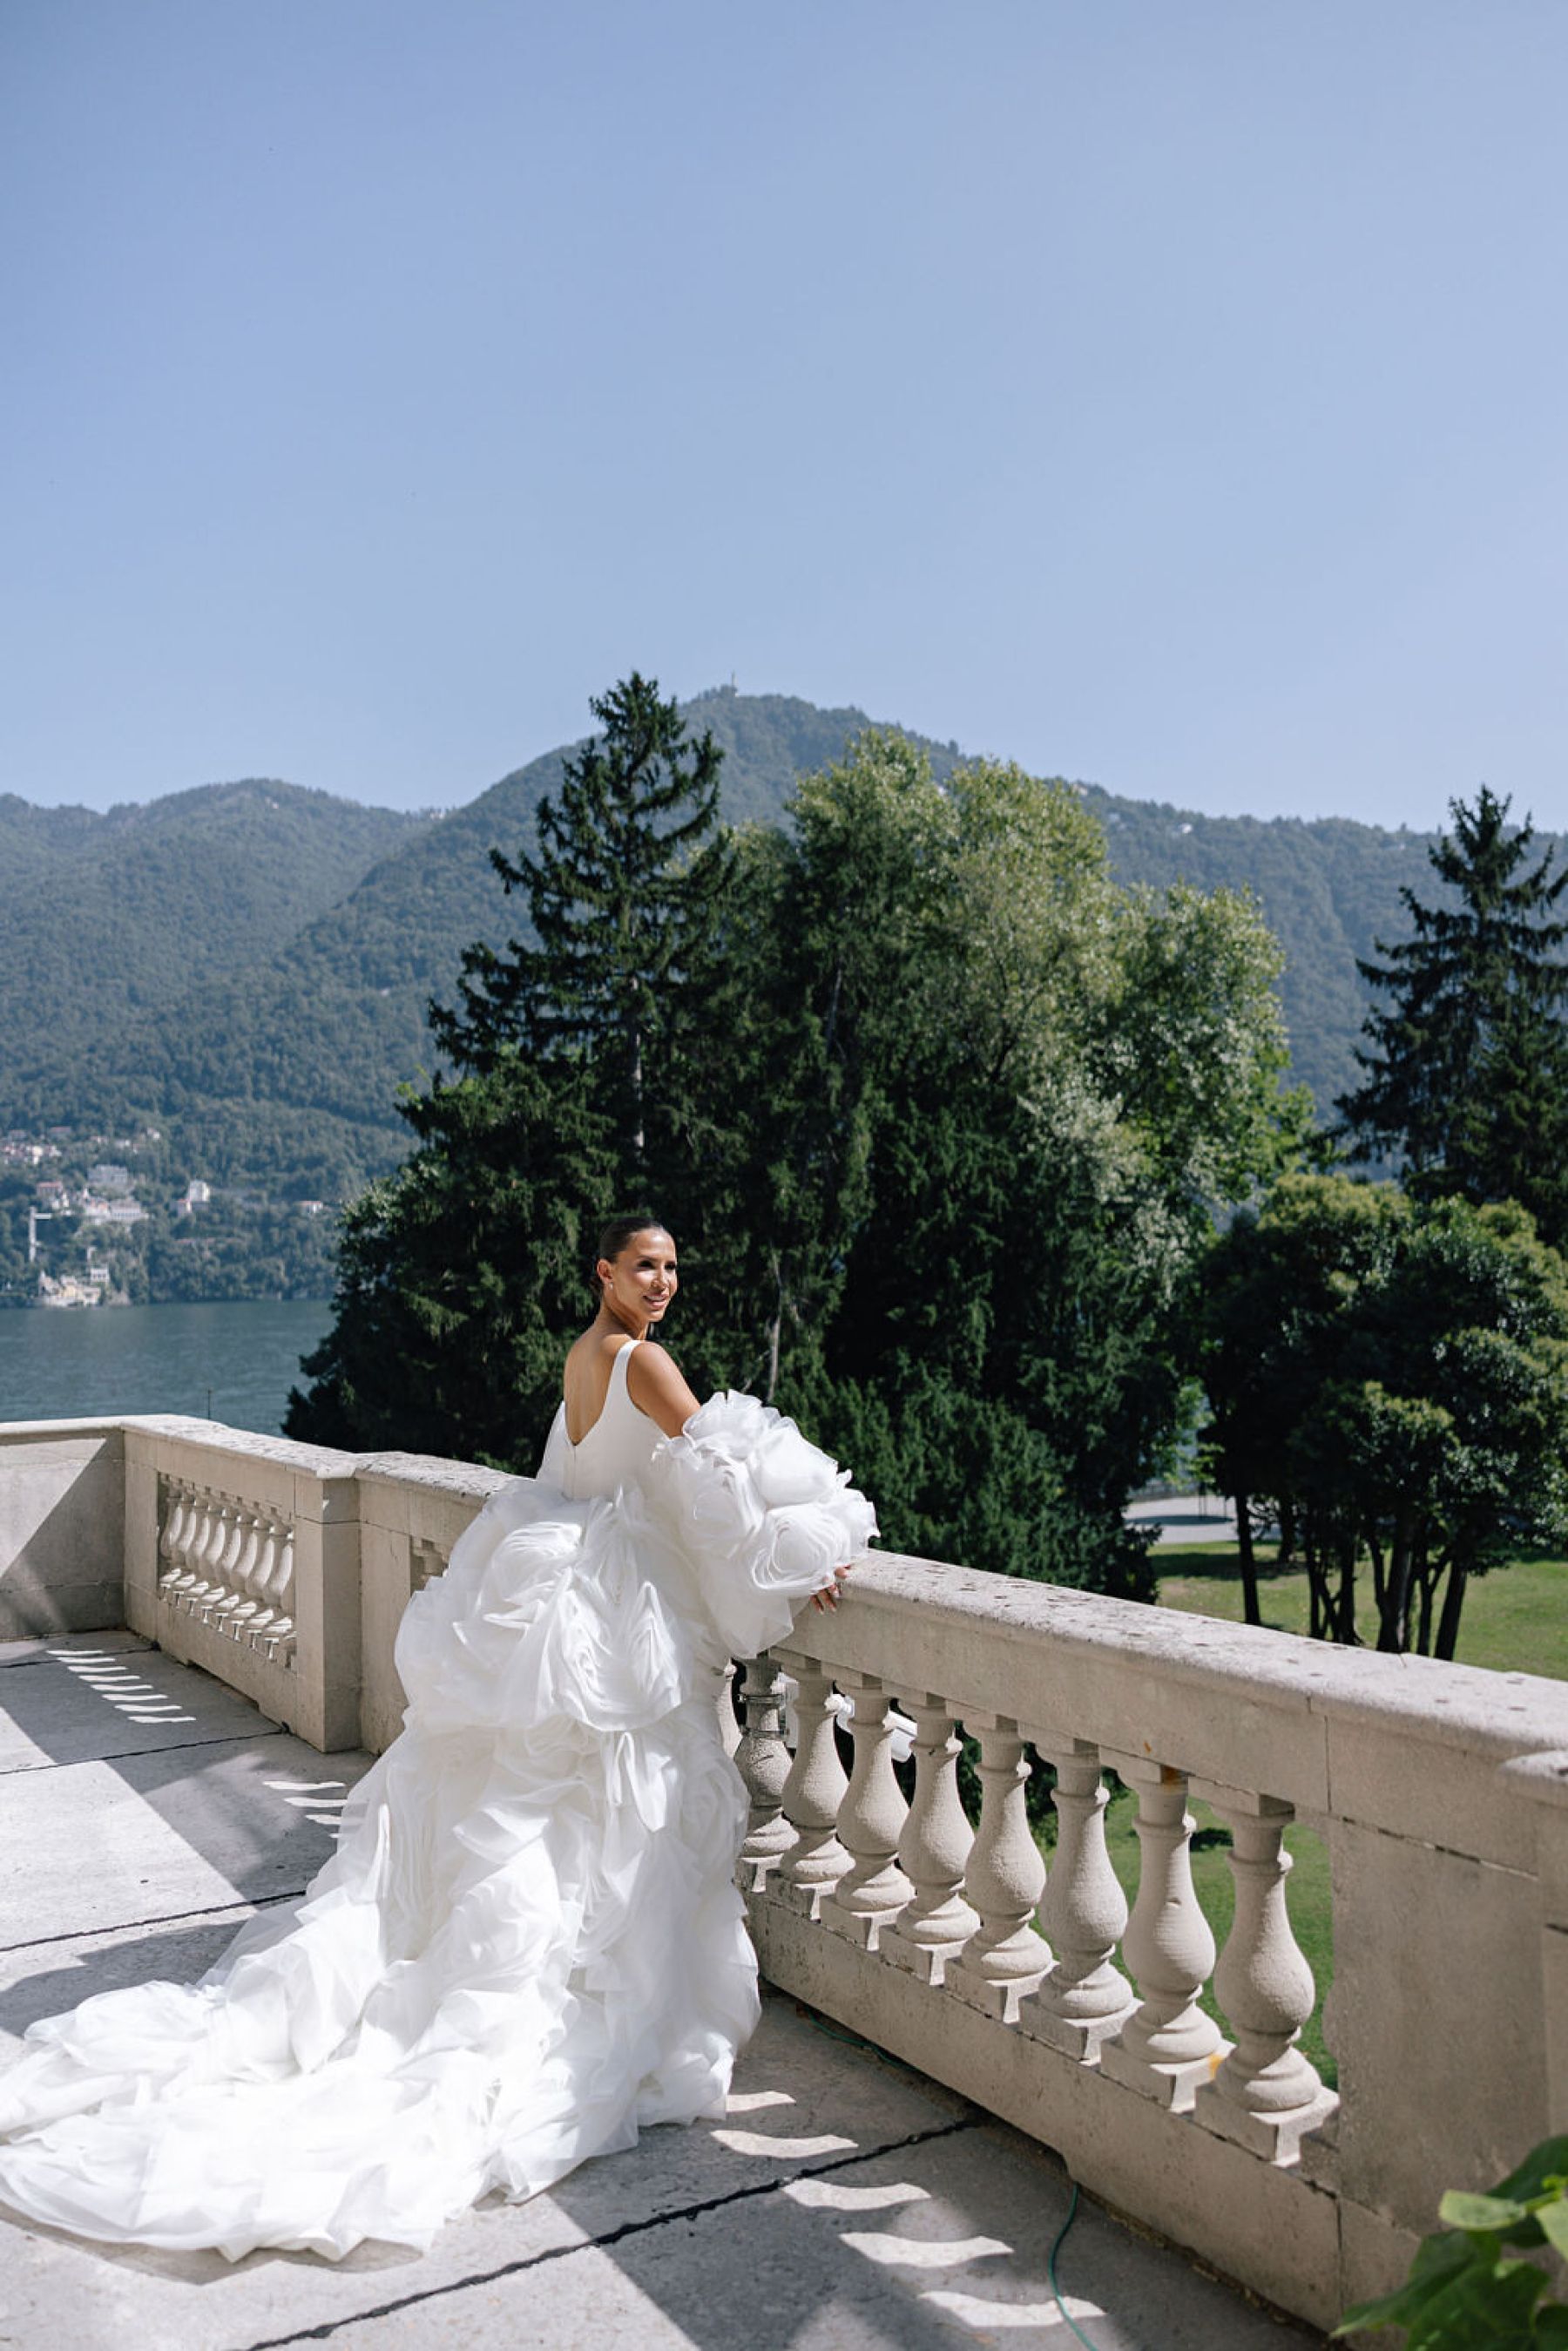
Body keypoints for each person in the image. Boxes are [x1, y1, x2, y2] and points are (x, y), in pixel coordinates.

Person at [0, 1216, 875, 2261]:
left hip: (567, 1598)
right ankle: (574, 1998)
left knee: (538, 1815)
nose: (665, 1281)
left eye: (676, 1266)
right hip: (611, 1622)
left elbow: (625, 1478)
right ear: (603, 1269)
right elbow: (725, 1476)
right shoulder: (643, 1361)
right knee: (593, 1822)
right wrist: (809, 1551)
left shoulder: (583, 1355)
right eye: (646, 1264)